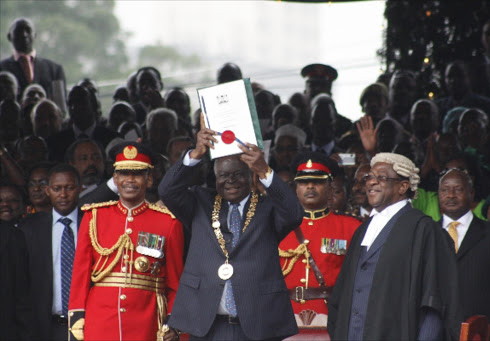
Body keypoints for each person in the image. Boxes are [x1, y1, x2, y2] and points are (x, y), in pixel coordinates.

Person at [158, 117, 303, 340]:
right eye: (224, 175)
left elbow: (294, 214)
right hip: (208, 324)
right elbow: (167, 190)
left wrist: (265, 170)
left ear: (250, 176)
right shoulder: (200, 203)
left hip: (257, 324)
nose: (231, 181)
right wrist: (196, 154)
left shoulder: (267, 209)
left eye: (238, 174)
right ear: (215, 178)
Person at [327, 153, 460, 341]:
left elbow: (434, 303)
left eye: (381, 177)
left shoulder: (425, 230)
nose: (371, 182)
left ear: (403, 186)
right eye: (369, 177)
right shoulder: (362, 229)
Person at [68, 142, 184, 341]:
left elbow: (175, 282)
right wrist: (77, 322)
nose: (130, 180)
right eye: (124, 174)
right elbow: (80, 276)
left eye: (137, 174)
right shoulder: (94, 217)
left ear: (149, 180)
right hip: (100, 323)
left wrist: (172, 321)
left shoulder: (168, 222)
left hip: (146, 324)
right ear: (115, 178)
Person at [279, 152, 360, 331]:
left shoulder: (351, 227)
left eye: (317, 181)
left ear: (330, 187)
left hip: (332, 317)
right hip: (285, 318)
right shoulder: (279, 227)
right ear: (295, 188)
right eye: (303, 182)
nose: (310, 186)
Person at [438, 168, 490, 341]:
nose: (451, 195)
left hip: (482, 333)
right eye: (445, 190)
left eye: (458, 189)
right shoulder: (427, 235)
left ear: (471, 194)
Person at [18, 164, 82, 341]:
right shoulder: (30, 228)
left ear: (80, 188)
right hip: (45, 327)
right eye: (57, 188)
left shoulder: (93, 223)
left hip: (88, 324)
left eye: (69, 188)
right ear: (47, 190)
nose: (63, 194)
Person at [46, 85, 119, 161]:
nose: (74, 107)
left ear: (94, 105)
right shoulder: (55, 143)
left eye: (80, 102)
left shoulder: (112, 140)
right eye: (70, 104)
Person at [0, 18, 66, 102]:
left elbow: (61, 106)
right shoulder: (2, 69)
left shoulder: (54, 69)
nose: (24, 35)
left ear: (35, 35)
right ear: (9, 37)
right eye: (18, 31)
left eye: (28, 30)